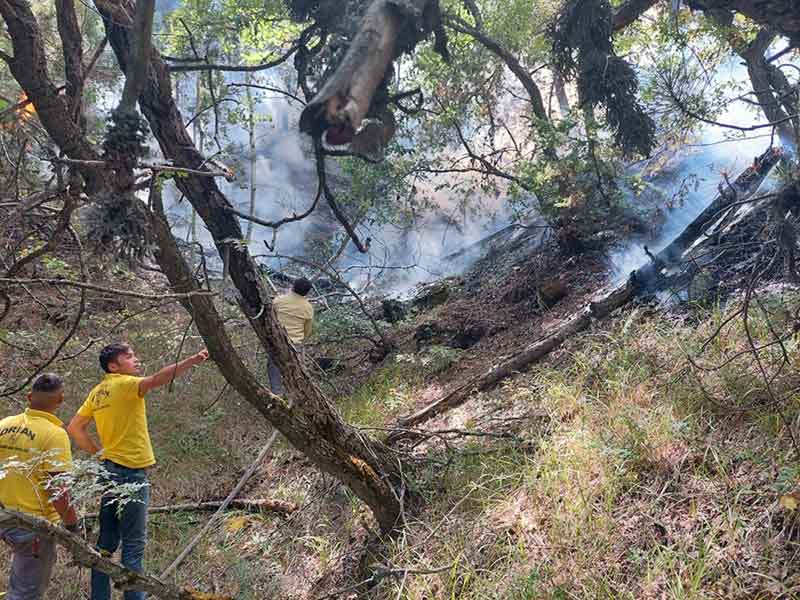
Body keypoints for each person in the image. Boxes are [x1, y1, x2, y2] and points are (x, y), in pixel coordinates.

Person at [67, 343, 208, 600]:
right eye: (129, 356)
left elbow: (75, 427)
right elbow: (158, 379)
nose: (136, 359)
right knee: (133, 545)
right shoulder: (125, 384)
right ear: (113, 366)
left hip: (109, 472)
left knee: (105, 546)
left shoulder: (97, 392)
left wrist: (99, 454)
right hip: (131, 474)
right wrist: (192, 360)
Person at [0, 373, 79, 600]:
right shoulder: (55, 434)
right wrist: (72, 524)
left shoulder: (4, 424)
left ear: (28, 396)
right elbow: (57, 489)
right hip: (32, 526)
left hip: (3, 514)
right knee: (25, 593)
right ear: (60, 400)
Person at [268, 277, 314, 395]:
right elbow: (307, 331)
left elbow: (271, 319)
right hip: (296, 346)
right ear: (307, 293)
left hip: (278, 342)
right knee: (299, 374)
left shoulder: (278, 301)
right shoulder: (308, 307)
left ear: (293, 286)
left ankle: (277, 395)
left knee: (274, 370)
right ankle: (300, 396)